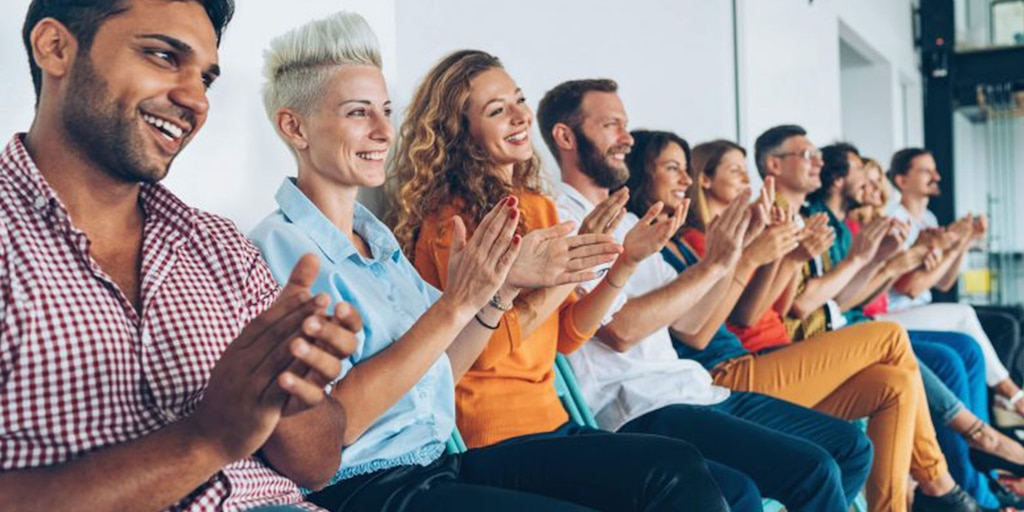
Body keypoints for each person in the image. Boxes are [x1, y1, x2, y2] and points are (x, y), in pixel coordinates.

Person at [251, 19, 727, 512]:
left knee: (673, 466)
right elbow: (331, 429)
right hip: (369, 485)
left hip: (436, 464)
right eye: (358, 112)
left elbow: (442, 370)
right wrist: (462, 303)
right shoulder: (280, 250)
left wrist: (494, 294)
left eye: (386, 112)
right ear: (294, 127)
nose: (383, 131)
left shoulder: (379, 242)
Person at [0, 1, 366, 510]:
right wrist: (206, 438)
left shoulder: (221, 246)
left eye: (205, 80)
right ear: (55, 48)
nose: (195, 100)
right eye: (163, 56)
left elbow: (317, 467)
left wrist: (289, 385)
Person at [535, 79, 876, 511]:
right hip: (639, 406)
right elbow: (621, 331)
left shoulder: (630, 222)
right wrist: (716, 264)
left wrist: (728, 257)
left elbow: (693, 329)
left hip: (693, 388)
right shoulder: (561, 220)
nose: (627, 138)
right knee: (814, 470)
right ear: (565, 137)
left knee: (850, 447)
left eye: (626, 125)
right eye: (611, 125)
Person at [749, 125, 997, 512]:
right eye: (807, 156)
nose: (817, 164)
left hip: (817, 332)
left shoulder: (804, 220)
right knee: (906, 340)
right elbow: (798, 308)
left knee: (901, 379)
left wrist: (878, 257)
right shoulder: (775, 220)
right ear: (774, 165)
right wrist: (873, 258)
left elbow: (829, 300)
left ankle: (939, 486)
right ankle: (957, 467)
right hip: (785, 349)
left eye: (818, 156)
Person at [880, 148, 1024, 418]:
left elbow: (944, 283)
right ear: (902, 180)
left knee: (1011, 320)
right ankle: (1010, 393)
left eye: (934, 170)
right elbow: (911, 288)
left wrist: (964, 241)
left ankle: (999, 398)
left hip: (920, 310)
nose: (936, 176)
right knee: (966, 315)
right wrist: (951, 244)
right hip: (895, 312)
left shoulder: (929, 219)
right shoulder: (896, 221)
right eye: (926, 171)